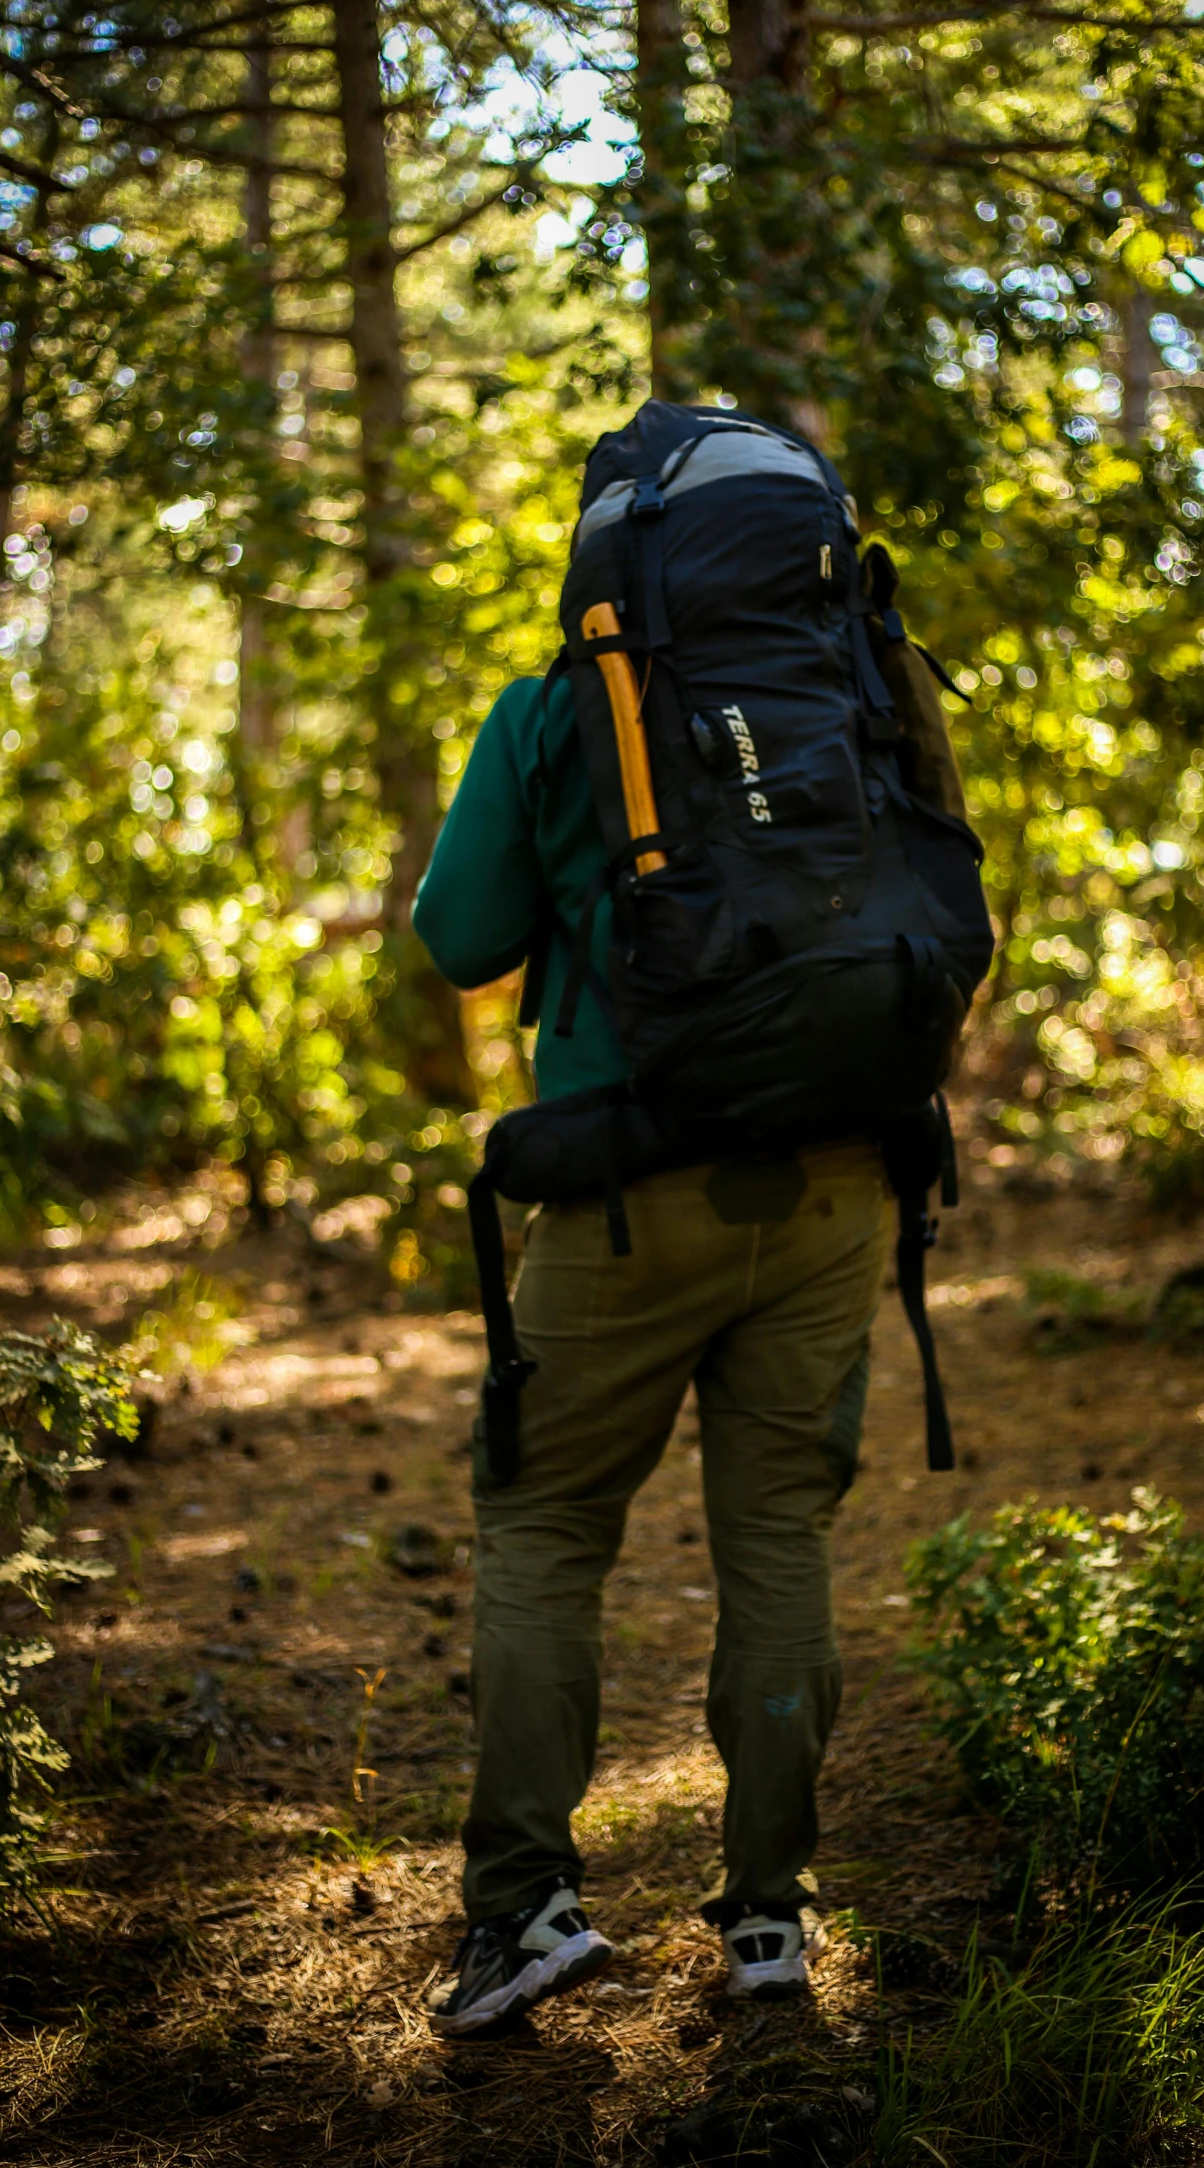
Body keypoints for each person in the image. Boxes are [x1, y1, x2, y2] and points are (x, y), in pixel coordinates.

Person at [412, 666, 892, 2038]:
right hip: (833, 1180)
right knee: (778, 1531)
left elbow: (460, 937)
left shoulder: (556, 703)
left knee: (545, 1522)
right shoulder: (839, 682)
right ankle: (765, 1917)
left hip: (629, 1180)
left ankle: (521, 1911)